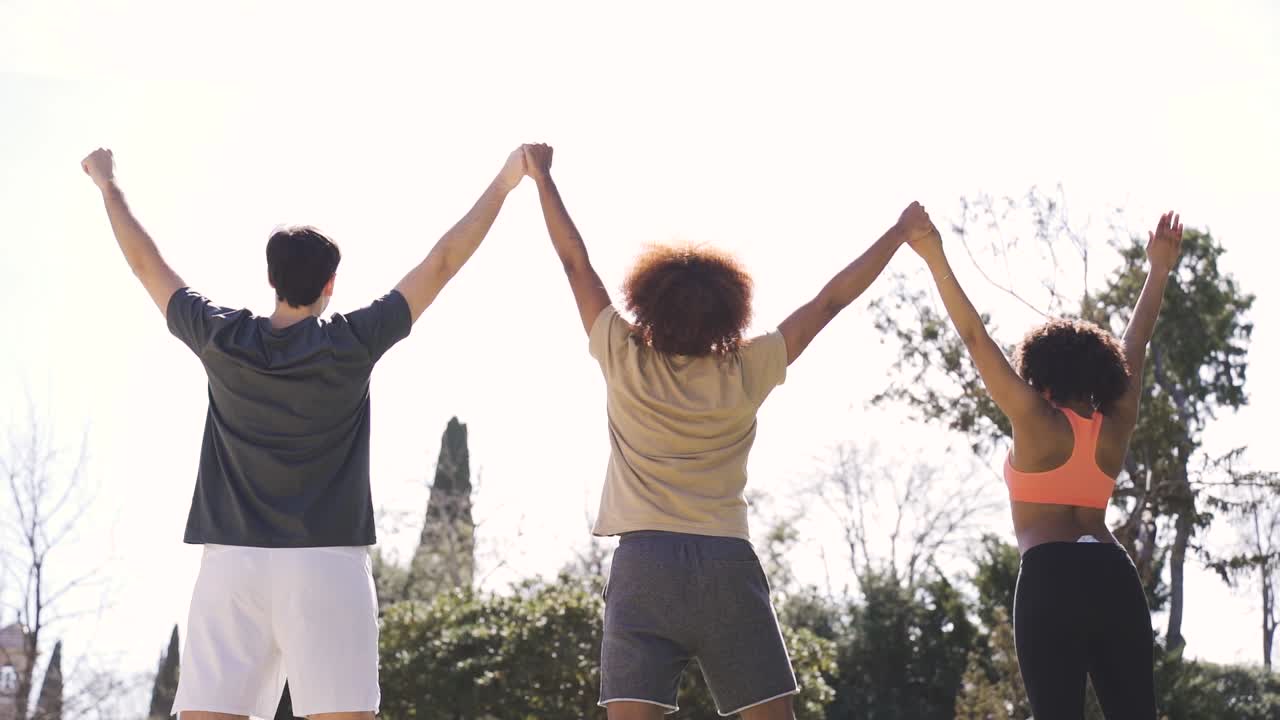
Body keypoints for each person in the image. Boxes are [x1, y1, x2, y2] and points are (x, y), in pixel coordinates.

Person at [80, 146, 527, 720]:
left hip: (231, 566)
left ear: (270, 278)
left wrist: (108, 184)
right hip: (326, 565)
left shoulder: (221, 338)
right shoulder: (351, 343)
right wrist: (506, 181)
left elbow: (146, 264)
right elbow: (440, 263)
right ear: (331, 284)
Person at [522, 142, 935, 719]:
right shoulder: (748, 367)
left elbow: (575, 263)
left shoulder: (623, 354)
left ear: (649, 307)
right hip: (725, 564)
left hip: (644, 564)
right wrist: (898, 234)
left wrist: (541, 177)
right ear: (728, 314)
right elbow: (831, 300)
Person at [904, 210, 1184, 719]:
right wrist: (1159, 270)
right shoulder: (1113, 423)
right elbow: (1135, 345)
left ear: (1041, 376)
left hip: (1051, 576)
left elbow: (974, 338)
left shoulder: (1034, 416)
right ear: (1100, 374)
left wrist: (935, 258)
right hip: (1111, 572)